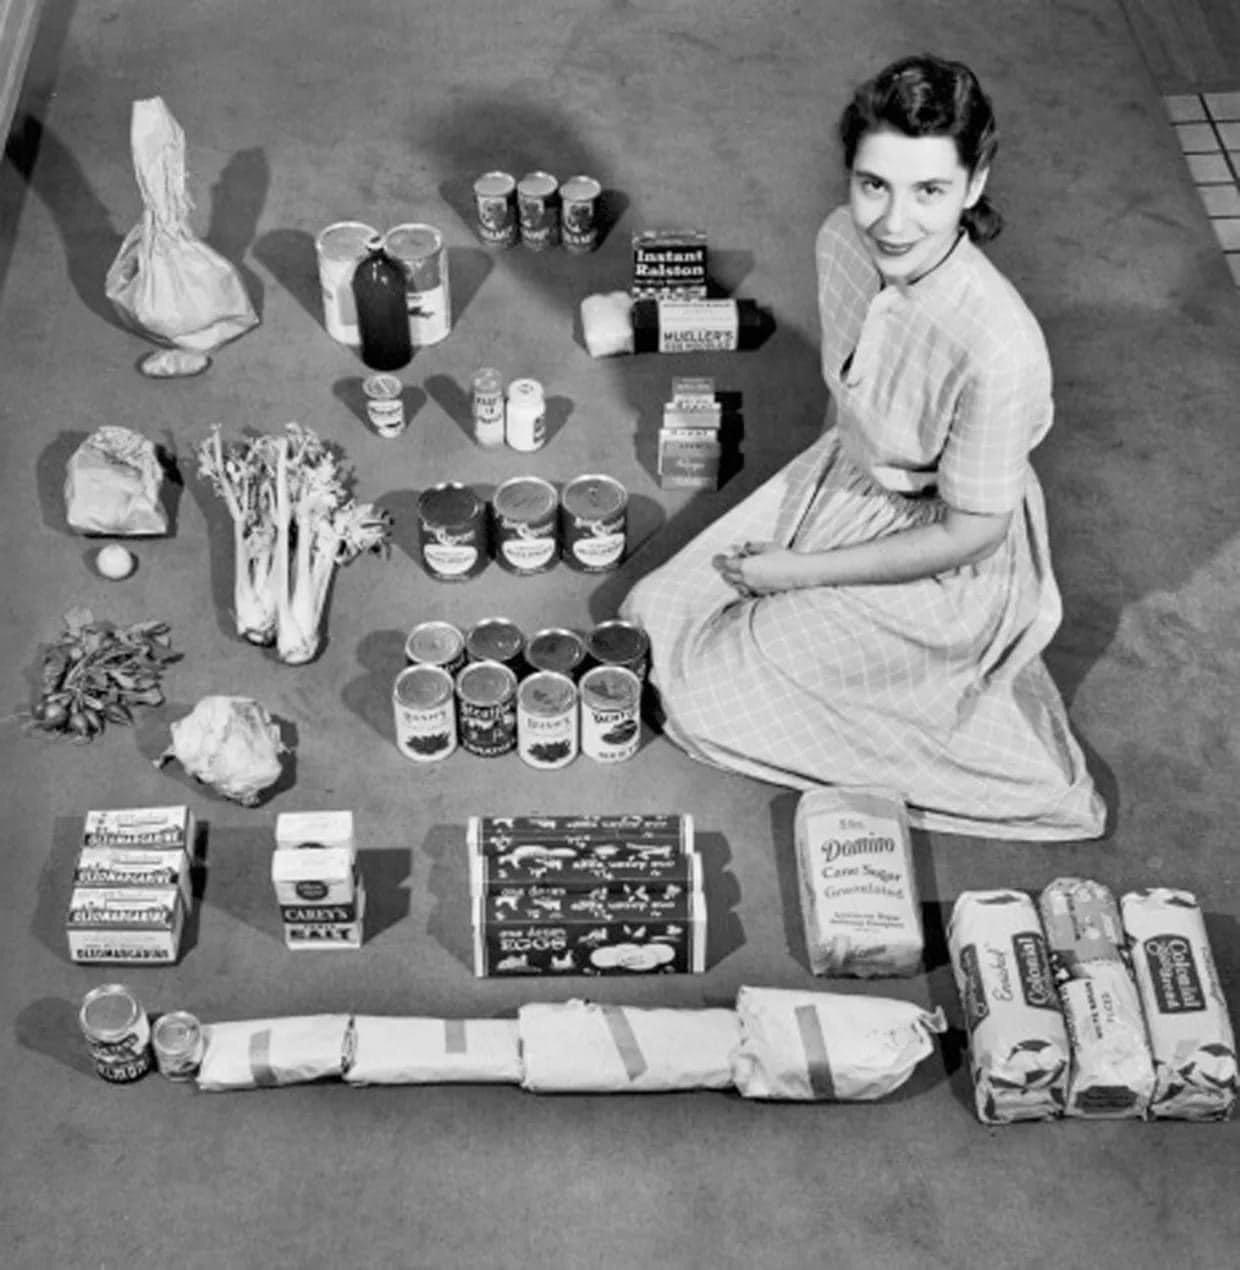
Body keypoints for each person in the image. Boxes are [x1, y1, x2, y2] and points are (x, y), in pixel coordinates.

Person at [620, 53, 1106, 841]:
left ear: (975, 184)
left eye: (930, 192)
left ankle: (969, 716)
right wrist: (807, 517)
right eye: (873, 183)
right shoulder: (841, 238)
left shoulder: (1002, 348)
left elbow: (971, 532)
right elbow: (853, 397)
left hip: (950, 557)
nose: (893, 222)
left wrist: (800, 573)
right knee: (652, 620)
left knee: (706, 693)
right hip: (849, 479)